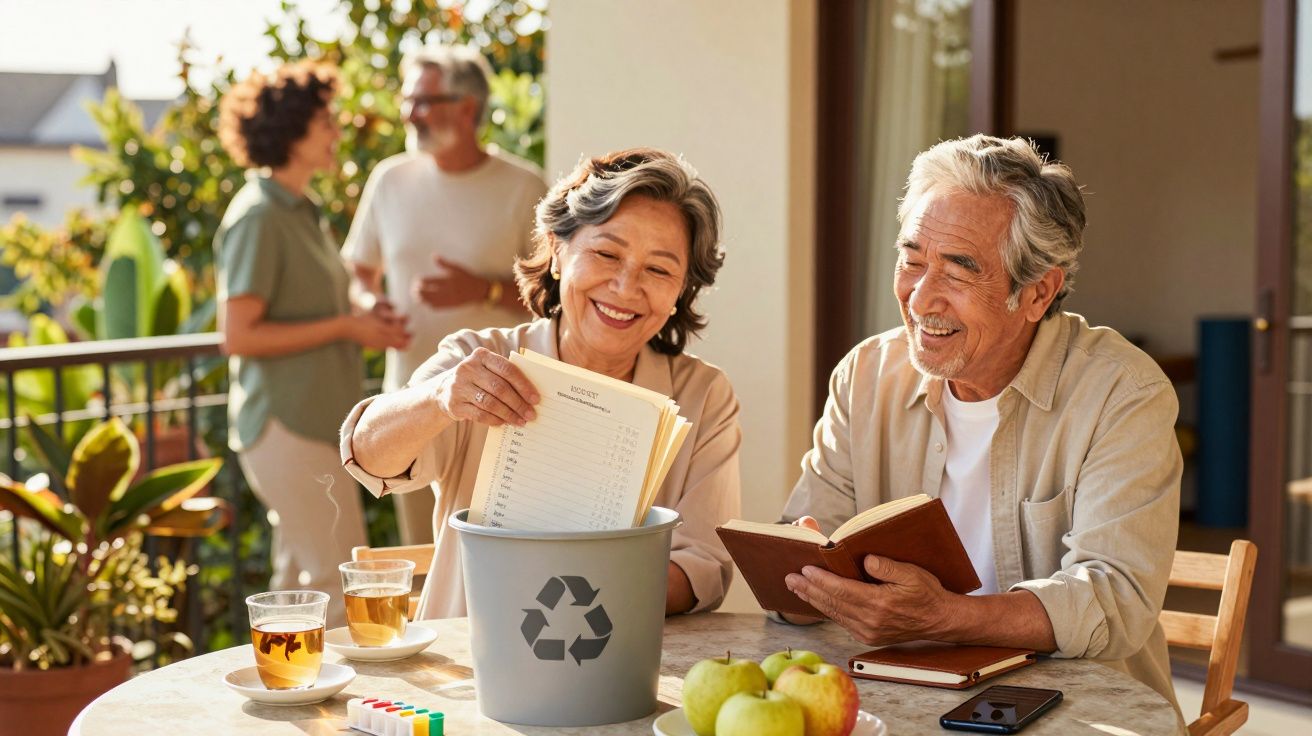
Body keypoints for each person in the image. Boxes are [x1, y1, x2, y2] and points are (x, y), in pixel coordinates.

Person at [778, 135, 1183, 712]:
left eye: (957, 272)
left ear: (1038, 292)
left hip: (1078, 707)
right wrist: (803, 582)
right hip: (895, 695)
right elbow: (804, 546)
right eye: (912, 261)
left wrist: (944, 616)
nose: (920, 299)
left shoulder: (1122, 392)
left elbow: (1114, 598)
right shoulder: (866, 374)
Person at [340, 148, 741, 619]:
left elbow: (704, 572)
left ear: (680, 292)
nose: (626, 287)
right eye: (607, 253)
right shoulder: (477, 358)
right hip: (467, 667)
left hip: (623, 662)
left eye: (658, 269)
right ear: (557, 251)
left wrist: (568, 590)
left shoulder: (704, 395)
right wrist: (440, 398)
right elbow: (369, 456)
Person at [215, 61, 411, 627]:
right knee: (335, 583)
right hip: (285, 427)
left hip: (314, 425)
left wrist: (365, 311)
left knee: (296, 587)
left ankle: (275, 709)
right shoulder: (258, 218)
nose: (336, 131)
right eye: (326, 120)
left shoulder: (301, 213)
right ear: (293, 130)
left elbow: (333, 295)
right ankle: (344, 714)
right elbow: (239, 336)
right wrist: (347, 328)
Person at [342, 45, 548, 547]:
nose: (411, 113)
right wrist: (371, 306)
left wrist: (484, 289)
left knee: (491, 557)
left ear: (468, 108)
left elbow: (555, 300)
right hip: (408, 402)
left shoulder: (525, 187)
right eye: (408, 100)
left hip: (500, 407)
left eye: (425, 101)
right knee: (422, 560)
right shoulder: (389, 180)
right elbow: (360, 274)